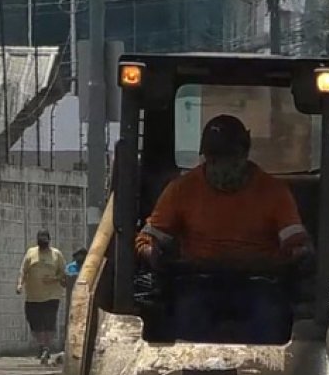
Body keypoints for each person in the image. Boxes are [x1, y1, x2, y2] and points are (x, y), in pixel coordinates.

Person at [134, 114, 312, 344]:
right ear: (205, 158)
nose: (223, 169)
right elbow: (149, 238)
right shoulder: (182, 190)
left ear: (245, 155)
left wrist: (299, 252)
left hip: (259, 282)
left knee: (269, 316)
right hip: (198, 280)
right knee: (187, 313)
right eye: (215, 160)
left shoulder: (273, 192)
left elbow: (295, 241)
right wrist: (151, 251)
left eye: (231, 159)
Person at [17, 230, 67, 364]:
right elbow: (23, 270)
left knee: (49, 322)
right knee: (34, 323)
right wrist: (19, 285)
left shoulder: (56, 255)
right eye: (41, 240)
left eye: (45, 240)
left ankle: (46, 348)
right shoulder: (31, 253)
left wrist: (54, 279)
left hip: (52, 295)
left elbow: (64, 274)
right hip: (32, 296)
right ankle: (42, 345)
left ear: (49, 241)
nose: (43, 243)